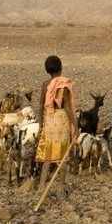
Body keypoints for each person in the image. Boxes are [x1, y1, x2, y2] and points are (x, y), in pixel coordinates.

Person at [35, 55, 79, 199]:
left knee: (48, 156)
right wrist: (75, 126)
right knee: (63, 157)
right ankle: (61, 189)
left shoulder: (45, 84)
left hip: (49, 120)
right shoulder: (63, 84)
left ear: (47, 70)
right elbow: (66, 106)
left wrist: (41, 125)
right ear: (60, 67)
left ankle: (41, 189)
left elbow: (41, 106)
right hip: (61, 121)